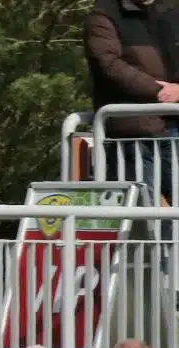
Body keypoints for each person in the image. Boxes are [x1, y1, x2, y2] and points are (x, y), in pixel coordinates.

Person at [84, 0, 179, 207]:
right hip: (133, 133)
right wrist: (159, 91)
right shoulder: (104, 14)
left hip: (173, 127)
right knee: (142, 215)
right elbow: (108, 64)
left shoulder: (171, 11)